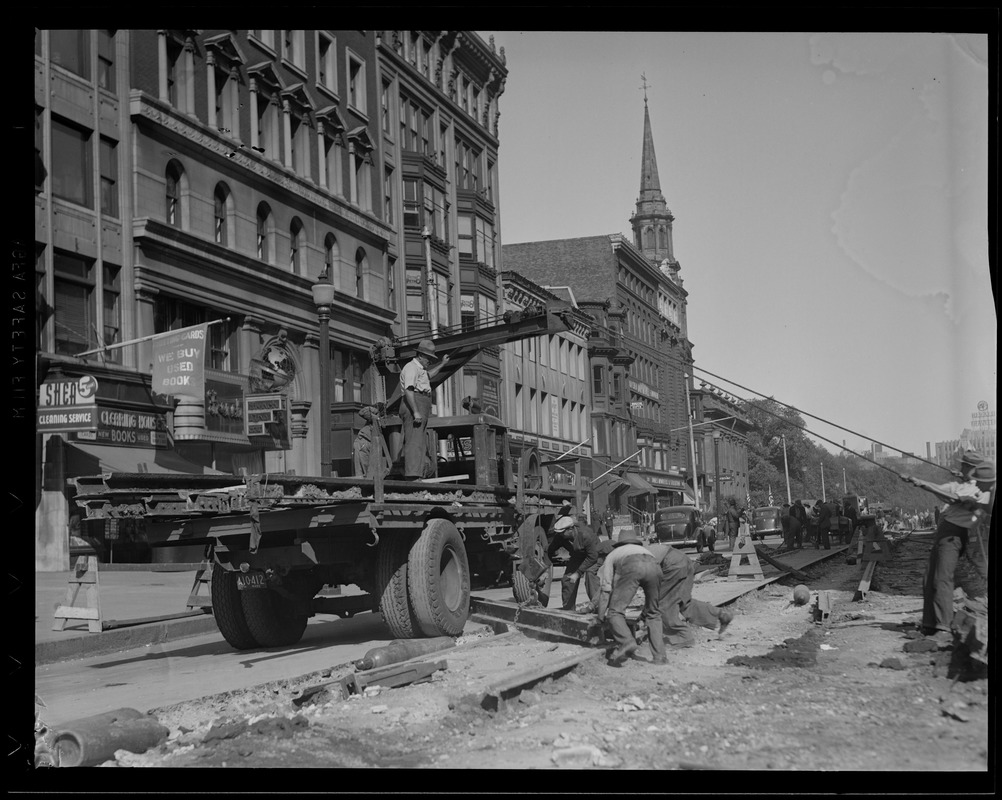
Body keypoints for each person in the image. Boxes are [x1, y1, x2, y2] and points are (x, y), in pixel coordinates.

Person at [902, 454, 994, 640]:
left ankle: (943, 626)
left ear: (973, 468)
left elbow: (952, 497)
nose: (961, 469)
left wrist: (920, 482)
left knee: (942, 578)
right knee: (929, 577)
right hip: (948, 531)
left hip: (954, 533)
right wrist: (960, 476)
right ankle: (929, 624)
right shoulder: (972, 485)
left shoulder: (978, 490)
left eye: (964, 467)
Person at [596, 530, 666, 666]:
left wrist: (600, 617)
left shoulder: (612, 555)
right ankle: (660, 657)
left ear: (618, 544)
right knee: (654, 613)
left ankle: (626, 642)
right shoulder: (643, 549)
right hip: (654, 565)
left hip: (632, 565)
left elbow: (605, 591)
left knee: (615, 613)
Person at [648, 541, 734, 648]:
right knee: (684, 602)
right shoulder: (631, 553)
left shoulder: (626, 561)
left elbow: (642, 585)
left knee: (664, 604)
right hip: (682, 559)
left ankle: (683, 637)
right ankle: (721, 615)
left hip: (672, 564)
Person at [399, 339, 450, 480]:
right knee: (414, 441)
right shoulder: (411, 368)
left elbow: (429, 376)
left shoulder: (419, 369)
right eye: (428, 358)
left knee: (419, 441)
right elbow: (409, 391)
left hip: (421, 402)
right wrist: (415, 411)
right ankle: (413, 475)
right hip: (415, 402)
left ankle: (417, 474)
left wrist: (443, 364)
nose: (430, 361)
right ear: (420, 356)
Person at [551, 513, 600, 611]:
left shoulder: (585, 535)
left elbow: (592, 557)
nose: (559, 535)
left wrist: (578, 573)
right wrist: (544, 571)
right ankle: (569, 610)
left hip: (595, 555)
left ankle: (597, 607)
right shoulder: (560, 537)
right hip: (578, 556)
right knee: (567, 579)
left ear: (571, 529)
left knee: (590, 575)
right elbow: (549, 550)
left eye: (562, 532)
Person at [352, 405, 378, 477]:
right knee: (362, 473)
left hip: (368, 444)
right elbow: (361, 412)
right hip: (362, 443)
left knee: (368, 472)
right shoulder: (374, 417)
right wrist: (375, 412)